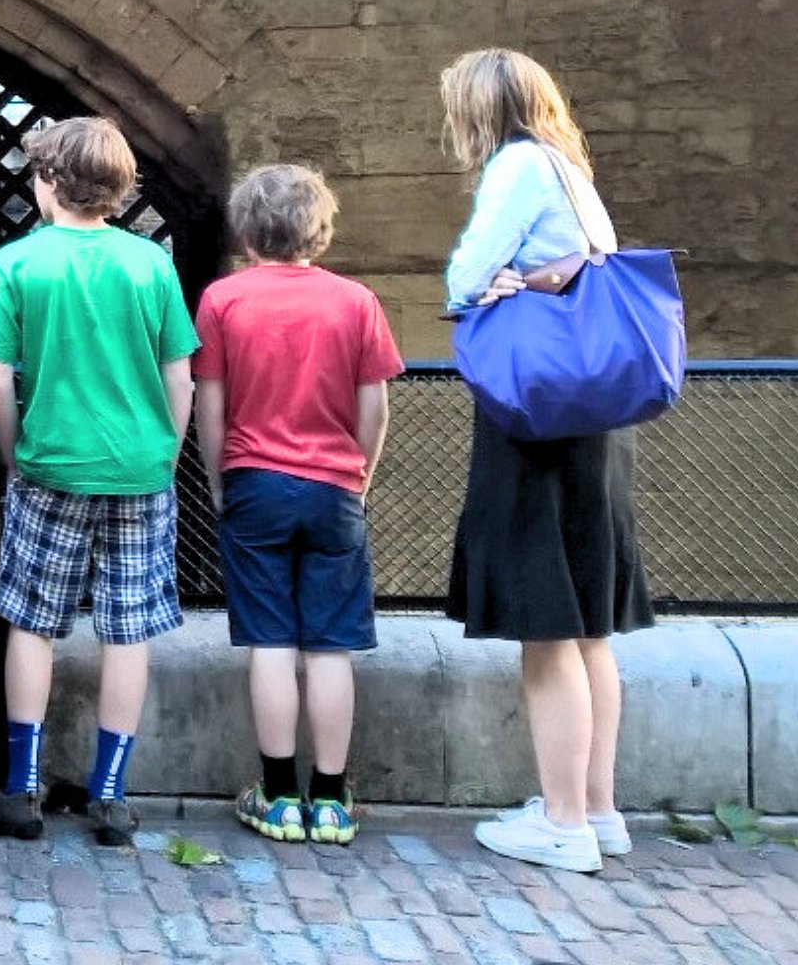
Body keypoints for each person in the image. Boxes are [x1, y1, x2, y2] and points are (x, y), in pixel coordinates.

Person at [439, 48, 653, 875]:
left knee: (547, 621)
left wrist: (491, 283)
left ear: (482, 109)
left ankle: (561, 821)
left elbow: (463, 276)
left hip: (540, 420)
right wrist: (520, 280)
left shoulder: (518, 166)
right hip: (595, 421)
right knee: (590, 623)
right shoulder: (569, 168)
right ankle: (597, 810)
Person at [0, 117, 198, 847]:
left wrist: (14, 453)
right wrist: (164, 451)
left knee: (33, 621)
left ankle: (23, 787)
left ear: (49, 182)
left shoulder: (17, 264)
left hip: (50, 464)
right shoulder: (150, 264)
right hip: (140, 467)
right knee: (126, 630)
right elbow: (180, 375)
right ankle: (111, 795)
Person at [194, 164, 402, 849]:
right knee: (332, 644)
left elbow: (211, 402)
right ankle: (333, 799)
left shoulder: (224, 301)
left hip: (255, 480)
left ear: (247, 233)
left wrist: (221, 478)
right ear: (320, 228)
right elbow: (374, 404)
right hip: (334, 484)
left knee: (272, 642)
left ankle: (280, 794)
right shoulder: (357, 302)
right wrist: (358, 474)